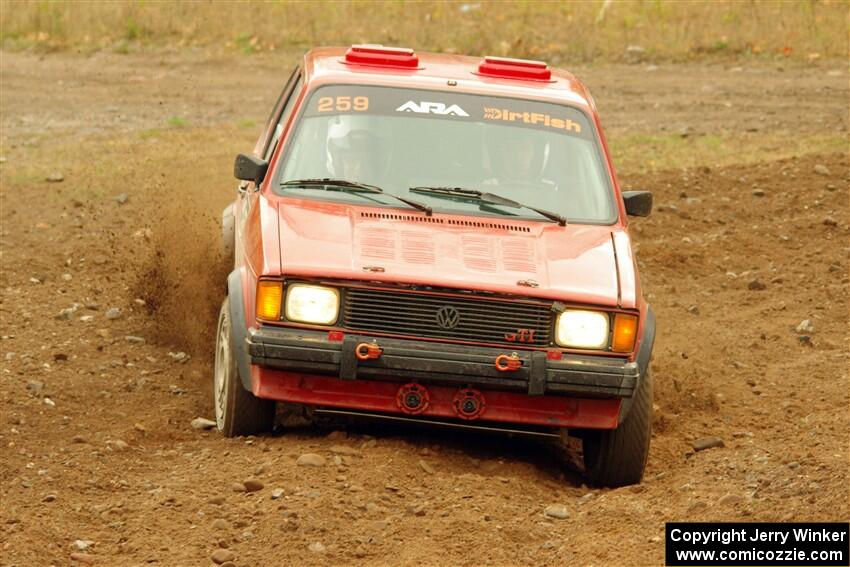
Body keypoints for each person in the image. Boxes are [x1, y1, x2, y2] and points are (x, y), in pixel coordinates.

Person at [482, 127, 557, 192]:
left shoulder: (548, 189)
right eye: (509, 149)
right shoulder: (487, 188)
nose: (517, 155)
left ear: (534, 154)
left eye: (524, 148)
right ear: (500, 154)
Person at [325, 115, 386, 182]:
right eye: (349, 160)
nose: (352, 167)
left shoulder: (389, 190)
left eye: (356, 160)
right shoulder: (324, 188)